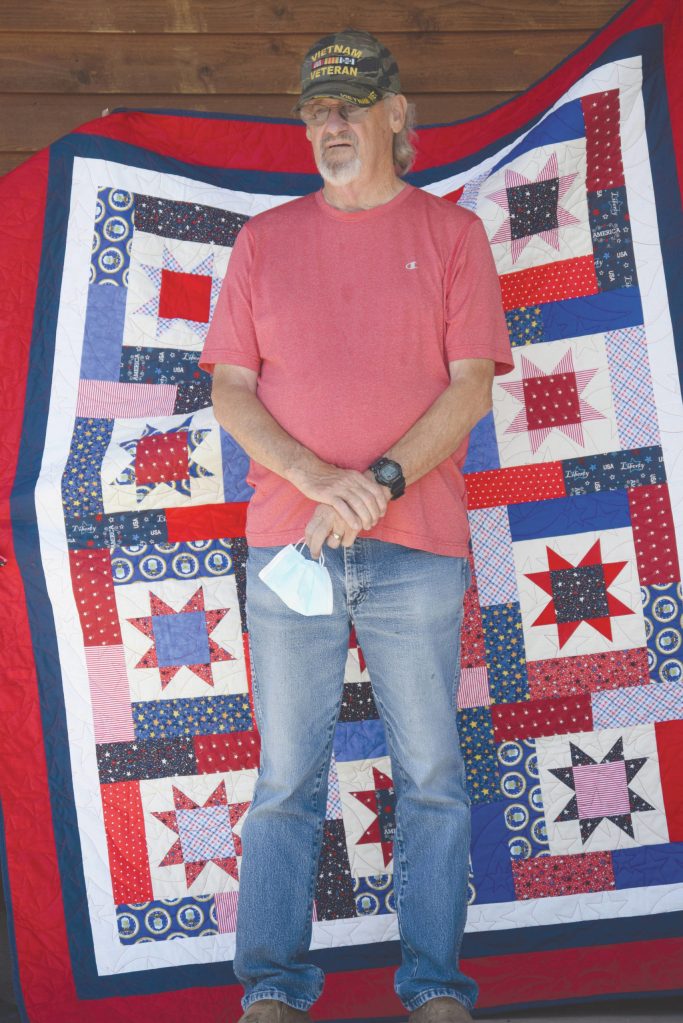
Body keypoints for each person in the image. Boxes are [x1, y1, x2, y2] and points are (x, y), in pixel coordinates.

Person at [200, 28, 513, 1023]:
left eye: (349, 106)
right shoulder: (264, 242)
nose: (328, 126)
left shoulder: (452, 236)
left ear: (395, 116)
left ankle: (432, 991)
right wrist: (317, 480)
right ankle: (273, 993)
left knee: (430, 777)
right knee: (284, 780)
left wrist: (373, 481)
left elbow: (468, 389)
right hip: (287, 548)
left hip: (415, 552)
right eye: (314, 111)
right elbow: (231, 390)